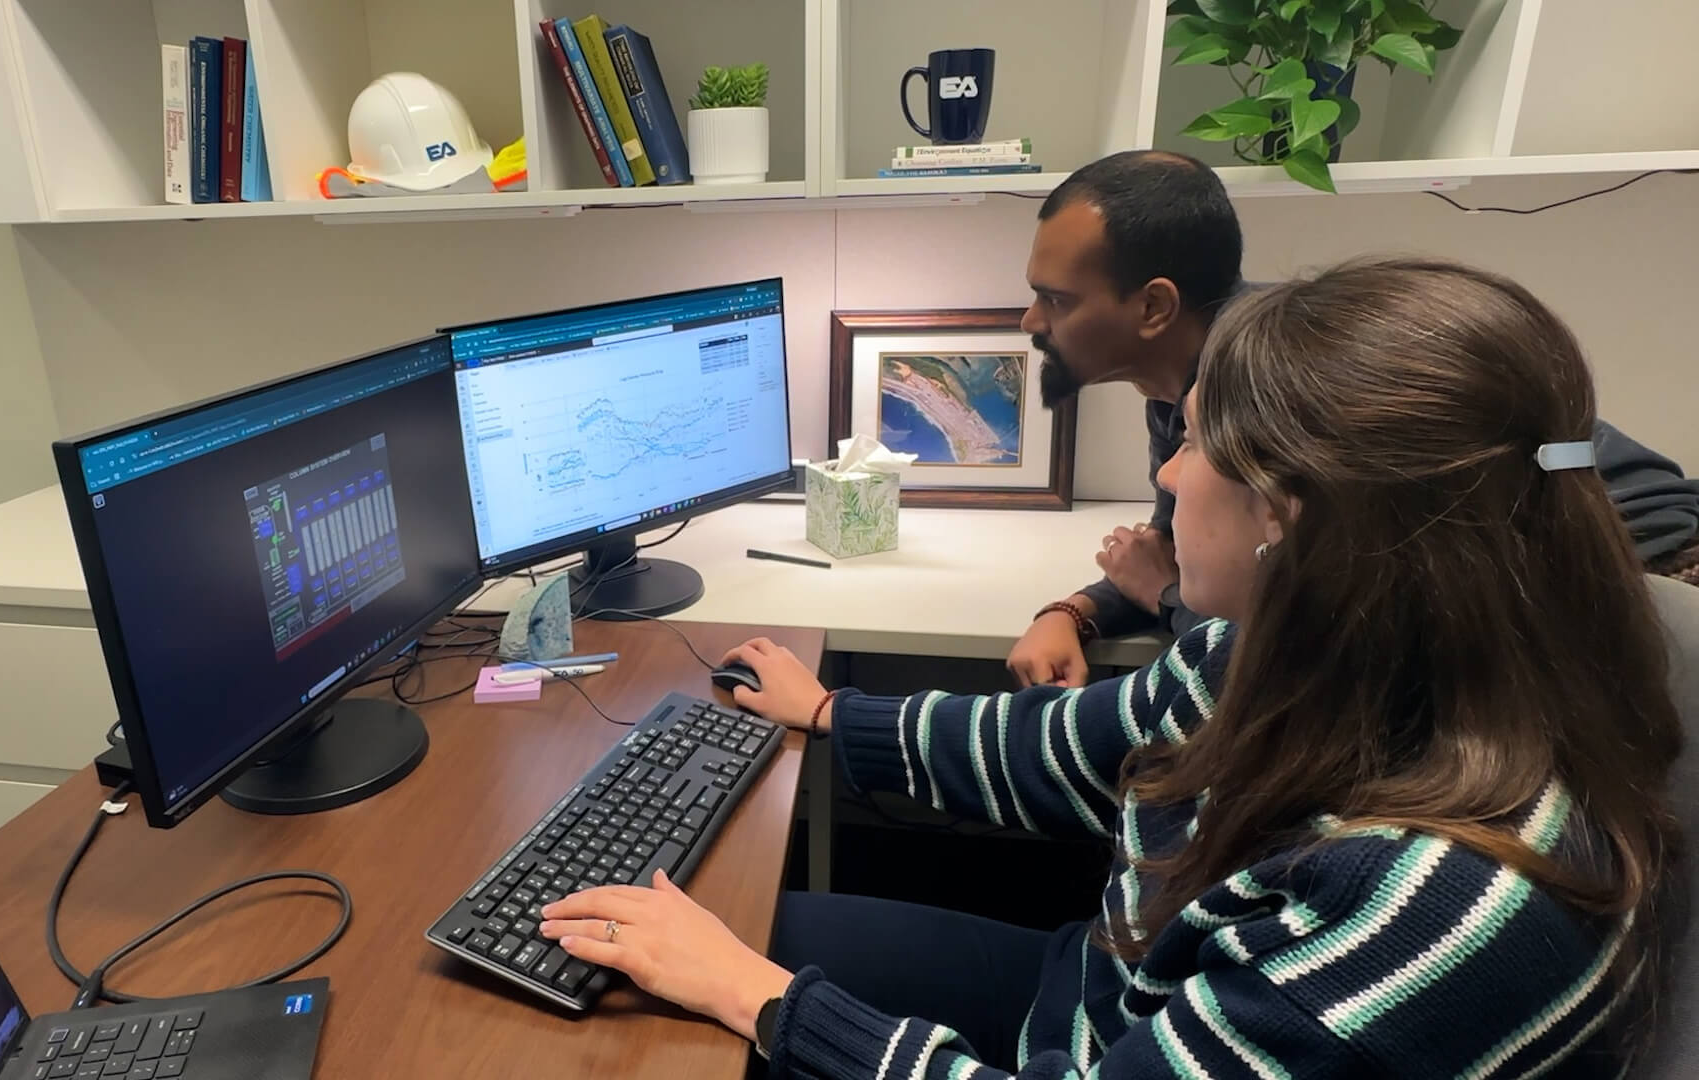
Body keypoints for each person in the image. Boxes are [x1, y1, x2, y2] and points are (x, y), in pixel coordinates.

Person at [536, 258, 1684, 1077]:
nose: (1170, 477)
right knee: (657, 955)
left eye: (1191, 442)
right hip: (1100, 999)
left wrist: (762, 1003)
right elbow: (1084, 745)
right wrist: (834, 711)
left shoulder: (1439, 916)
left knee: (665, 1007)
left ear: (1286, 514)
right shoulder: (1299, 655)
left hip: (1112, 1044)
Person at [1006, 150, 1699, 688]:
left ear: (1154, 308)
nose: (1033, 321)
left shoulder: (1275, 384)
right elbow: (1190, 555)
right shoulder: (1199, 373)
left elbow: (1298, 642)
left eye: (1056, 300)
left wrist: (1158, 594)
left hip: (1642, 578)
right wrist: (1075, 611)